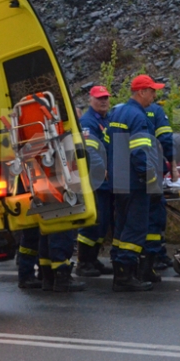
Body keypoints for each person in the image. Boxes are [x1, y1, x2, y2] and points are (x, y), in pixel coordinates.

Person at [105, 74, 163, 292]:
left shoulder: (117, 112)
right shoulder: (139, 116)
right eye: (152, 91)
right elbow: (140, 152)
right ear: (141, 92)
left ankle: (119, 270)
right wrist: (151, 180)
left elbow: (108, 144)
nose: (154, 96)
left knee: (121, 227)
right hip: (135, 181)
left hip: (119, 180)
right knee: (136, 228)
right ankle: (126, 275)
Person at [76, 85, 114, 277]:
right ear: (90, 100)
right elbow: (91, 149)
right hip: (96, 181)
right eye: (99, 98)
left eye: (106, 98)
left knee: (103, 221)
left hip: (106, 181)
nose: (103, 101)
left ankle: (92, 259)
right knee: (93, 221)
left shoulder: (106, 119)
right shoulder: (88, 121)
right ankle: (83, 262)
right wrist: (102, 169)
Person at [144, 100, 176, 279]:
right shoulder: (155, 111)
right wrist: (171, 162)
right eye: (152, 91)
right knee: (155, 216)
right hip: (153, 170)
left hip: (132, 174)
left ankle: (153, 255)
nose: (155, 95)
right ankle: (153, 256)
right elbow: (165, 138)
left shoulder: (123, 112)